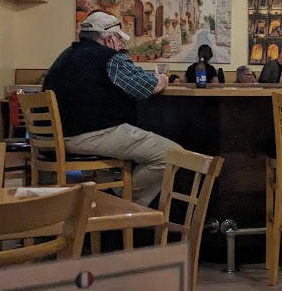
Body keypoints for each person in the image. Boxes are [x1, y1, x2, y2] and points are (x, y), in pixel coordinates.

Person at [42, 11, 180, 207]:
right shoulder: (109, 58)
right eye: (119, 40)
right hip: (89, 135)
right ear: (109, 39)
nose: (120, 45)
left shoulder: (65, 56)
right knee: (172, 155)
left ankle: (114, 202)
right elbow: (149, 86)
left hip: (53, 138)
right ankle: (115, 203)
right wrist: (163, 78)